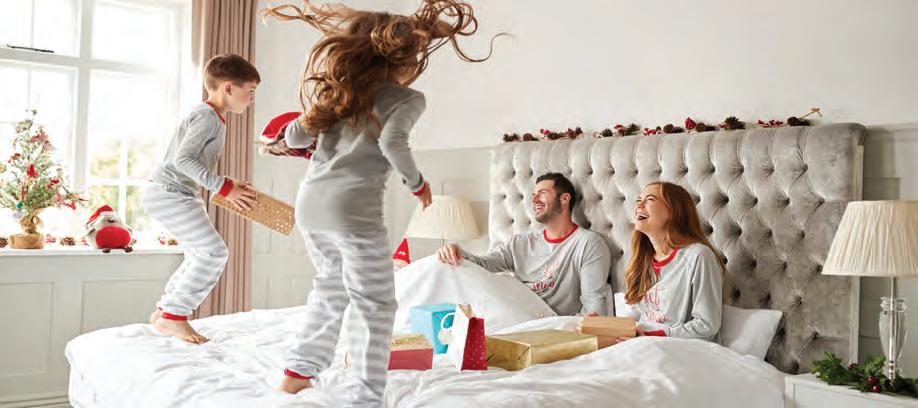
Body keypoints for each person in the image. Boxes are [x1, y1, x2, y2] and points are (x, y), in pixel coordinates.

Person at [261, 1, 501, 405]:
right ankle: (365, 395)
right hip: (352, 209)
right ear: (403, 60)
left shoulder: (338, 94)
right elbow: (393, 141)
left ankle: (297, 373)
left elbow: (296, 138)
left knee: (330, 286)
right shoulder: (408, 98)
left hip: (311, 204)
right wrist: (418, 184)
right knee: (374, 303)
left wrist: (305, 119)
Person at [144, 53, 260, 344]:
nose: (251, 99)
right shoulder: (207, 117)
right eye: (250, 91)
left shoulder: (211, 118)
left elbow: (190, 161)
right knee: (214, 253)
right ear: (229, 88)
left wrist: (227, 184)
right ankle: (174, 315)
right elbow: (182, 160)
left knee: (200, 253)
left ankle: (164, 311)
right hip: (170, 192)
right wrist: (222, 187)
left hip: (174, 192)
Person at [438, 173, 613, 316]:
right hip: (514, 317)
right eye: (533, 195)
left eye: (542, 193)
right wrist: (455, 250)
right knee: (438, 265)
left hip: (554, 325)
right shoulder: (520, 243)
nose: (534, 199)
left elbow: (594, 304)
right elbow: (483, 265)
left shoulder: (588, 244)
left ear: (564, 198)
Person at [590, 181, 723, 344]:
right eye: (639, 200)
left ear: (673, 211)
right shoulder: (643, 260)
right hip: (642, 344)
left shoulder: (699, 256)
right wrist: (604, 325)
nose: (639, 205)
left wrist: (654, 335)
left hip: (676, 347)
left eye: (650, 199)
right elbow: (635, 318)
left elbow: (707, 326)